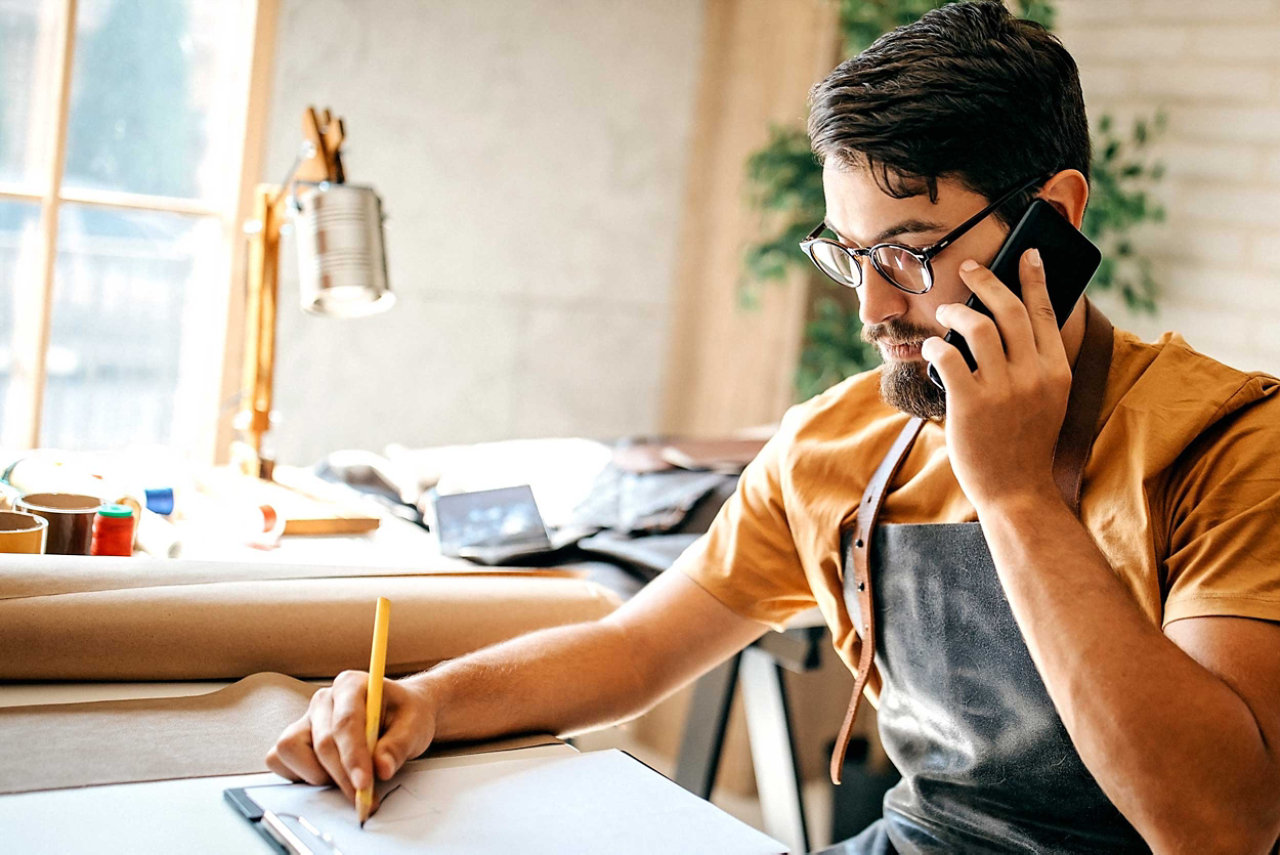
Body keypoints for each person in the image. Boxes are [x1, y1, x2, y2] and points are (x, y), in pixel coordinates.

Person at [267, 3, 1280, 851]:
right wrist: (428, 702)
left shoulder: (1232, 445)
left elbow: (1214, 826)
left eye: (913, 253)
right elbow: (633, 652)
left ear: (1050, 221)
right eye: (851, 256)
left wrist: (1010, 492)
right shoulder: (834, 446)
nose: (872, 313)